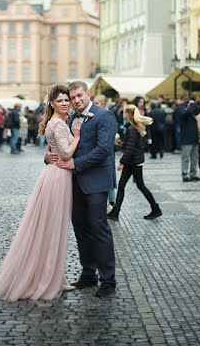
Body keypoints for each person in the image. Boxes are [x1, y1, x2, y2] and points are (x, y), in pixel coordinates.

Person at [0, 84, 81, 301]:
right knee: (54, 228)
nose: (65, 103)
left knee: (52, 228)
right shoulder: (59, 124)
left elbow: (52, 151)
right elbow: (65, 154)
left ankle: (56, 276)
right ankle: (51, 279)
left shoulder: (54, 122)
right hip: (59, 175)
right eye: (61, 100)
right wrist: (77, 137)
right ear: (52, 103)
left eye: (67, 100)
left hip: (52, 174)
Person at [55, 81, 117, 297]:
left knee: (99, 229)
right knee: (81, 229)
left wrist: (76, 164)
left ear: (88, 94)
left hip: (97, 182)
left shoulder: (104, 116)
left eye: (80, 96)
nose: (76, 100)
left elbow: (104, 149)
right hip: (75, 182)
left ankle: (108, 280)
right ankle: (88, 275)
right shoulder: (72, 117)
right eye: (73, 98)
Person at [107, 105, 162, 221]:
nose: (122, 115)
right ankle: (115, 212)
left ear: (128, 114)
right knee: (129, 186)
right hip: (134, 161)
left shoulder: (132, 129)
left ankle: (155, 209)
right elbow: (131, 145)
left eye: (124, 113)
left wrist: (122, 162)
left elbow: (130, 149)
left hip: (133, 162)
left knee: (136, 186)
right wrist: (120, 143)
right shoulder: (133, 127)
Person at [93, 94, 117, 210]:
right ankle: (111, 201)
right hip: (103, 151)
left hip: (106, 151)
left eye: (97, 103)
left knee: (108, 174)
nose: (94, 105)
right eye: (94, 102)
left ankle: (112, 201)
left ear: (103, 103)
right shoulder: (96, 114)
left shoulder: (107, 114)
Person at [178, 99, 200, 183]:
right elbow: (187, 113)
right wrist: (191, 104)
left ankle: (193, 174)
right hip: (186, 139)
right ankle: (185, 174)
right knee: (186, 158)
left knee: (194, 158)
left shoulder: (192, 113)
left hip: (194, 139)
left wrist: (194, 105)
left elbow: (197, 110)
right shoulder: (181, 111)